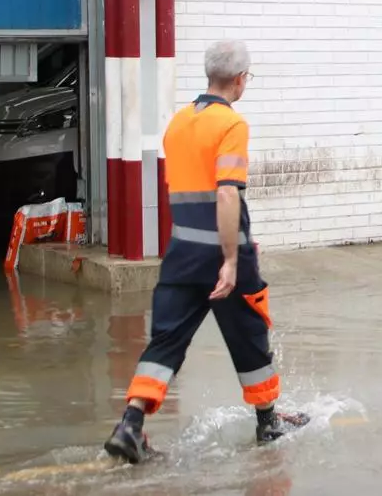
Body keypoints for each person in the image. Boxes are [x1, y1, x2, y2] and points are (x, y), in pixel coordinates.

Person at [103, 40, 308, 464]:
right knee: (249, 332)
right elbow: (226, 193)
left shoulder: (179, 122)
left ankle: (130, 424)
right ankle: (268, 421)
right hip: (222, 255)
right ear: (240, 79)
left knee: (167, 339)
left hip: (182, 253)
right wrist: (231, 260)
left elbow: (184, 190)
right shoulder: (231, 124)